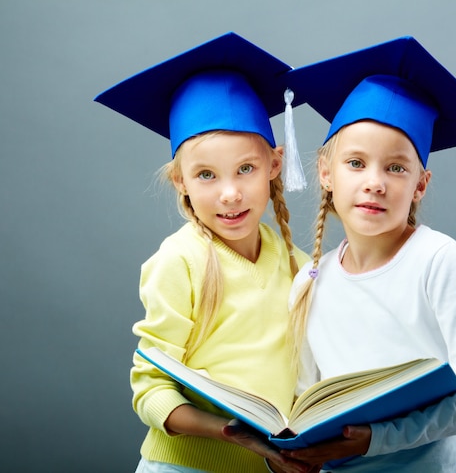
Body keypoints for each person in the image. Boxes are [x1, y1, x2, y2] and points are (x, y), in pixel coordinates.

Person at [283, 36, 456, 472]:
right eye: (355, 163)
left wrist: (377, 439)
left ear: (420, 184)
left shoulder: (436, 259)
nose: (375, 182)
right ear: (325, 172)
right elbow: (306, 400)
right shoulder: (311, 280)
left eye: (396, 167)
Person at [95, 32, 315, 473]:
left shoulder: (297, 263)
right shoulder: (179, 261)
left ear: (275, 164)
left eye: (246, 169)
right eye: (206, 175)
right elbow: (150, 391)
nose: (230, 193)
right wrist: (228, 431)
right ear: (181, 181)